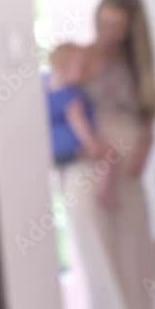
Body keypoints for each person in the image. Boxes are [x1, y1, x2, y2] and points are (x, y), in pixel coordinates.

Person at [60, 0, 155, 309]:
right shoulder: (79, 59)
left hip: (128, 178)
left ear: (131, 28)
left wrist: (143, 147)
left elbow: (147, 117)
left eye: (117, 25)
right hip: (91, 173)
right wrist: (92, 147)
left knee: (137, 262)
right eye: (103, 22)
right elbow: (61, 107)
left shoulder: (139, 68)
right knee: (104, 266)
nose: (107, 33)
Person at [46, 43, 117, 206]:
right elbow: (79, 124)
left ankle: (62, 187)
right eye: (82, 67)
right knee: (109, 154)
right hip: (74, 148)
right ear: (63, 67)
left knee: (65, 178)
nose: (86, 72)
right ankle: (103, 192)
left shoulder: (48, 91)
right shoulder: (71, 96)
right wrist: (93, 146)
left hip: (55, 152)